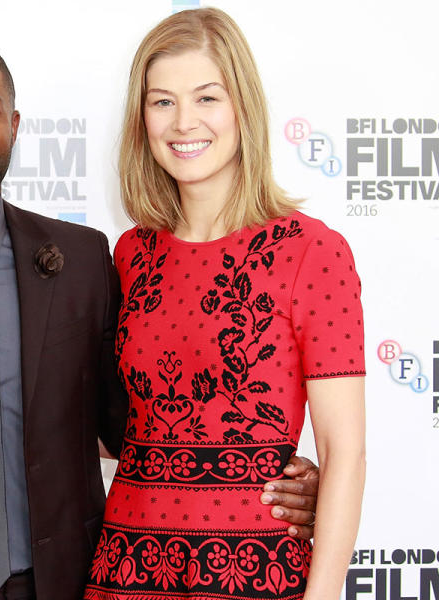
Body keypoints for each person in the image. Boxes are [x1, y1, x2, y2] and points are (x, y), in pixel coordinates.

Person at [0, 34, 323, 600]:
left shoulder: (82, 260)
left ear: (14, 125)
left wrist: (262, 477)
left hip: (67, 583)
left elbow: (139, 424)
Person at [84, 8, 365, 600]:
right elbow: (113, 424)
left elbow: (345, 451)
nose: (183, 122)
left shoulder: (313, 251)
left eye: (207, 97)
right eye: (161, 102)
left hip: (255, 575)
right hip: (127, 571)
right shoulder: (130, 253)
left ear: (243, 107)